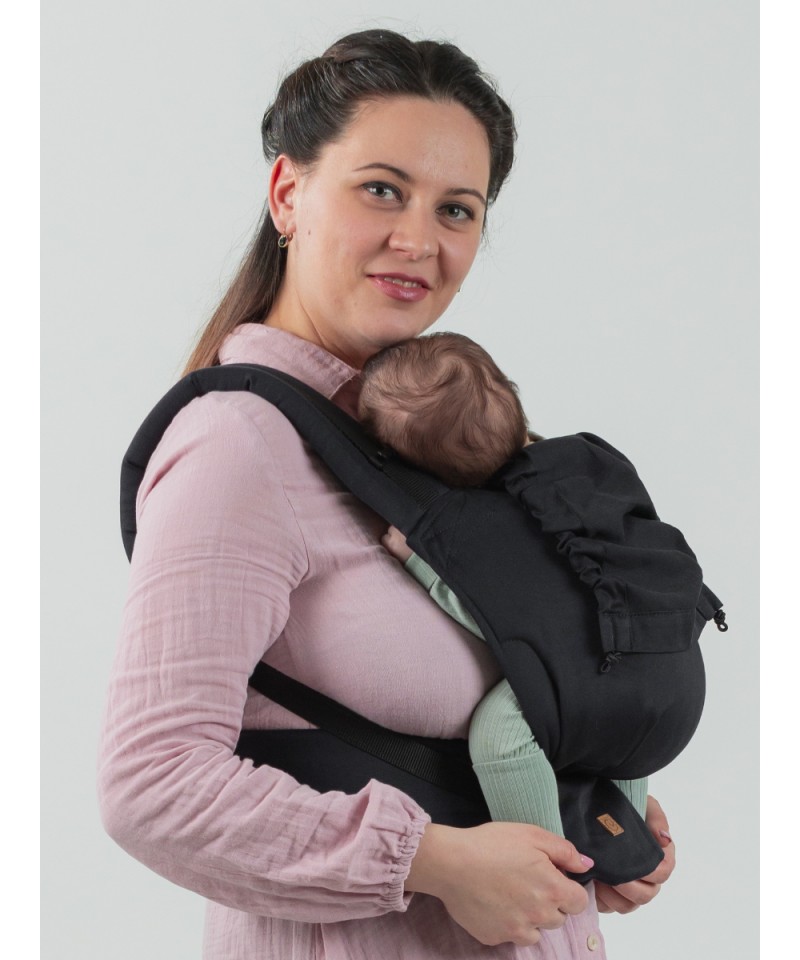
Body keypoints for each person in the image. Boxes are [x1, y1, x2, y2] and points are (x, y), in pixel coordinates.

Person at [98, 29, 675, 959]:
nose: (418, 240)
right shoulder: (239, 446)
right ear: (288, 193)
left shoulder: (435, 433)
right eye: (381, 190)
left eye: (458, 209)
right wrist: (433, 862)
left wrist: (589, 818)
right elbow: (151, 783)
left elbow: (491, 705)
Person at [358, 331, 650, 838]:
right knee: (618, 731)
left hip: (569, 673)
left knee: (500, 735)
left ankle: (542, 855)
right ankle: (628, 839)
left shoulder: (473, 528)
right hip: (642, 666)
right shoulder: (569, 471)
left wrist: (417, 562)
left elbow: (494, 616)